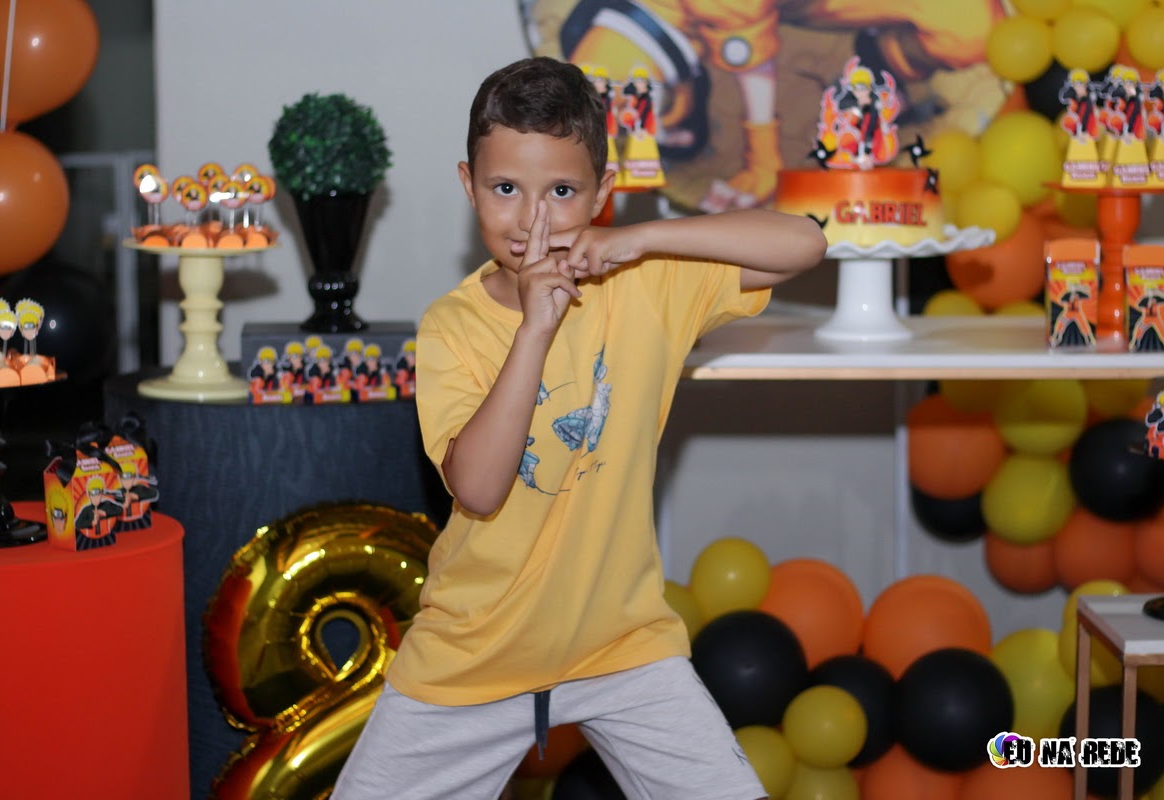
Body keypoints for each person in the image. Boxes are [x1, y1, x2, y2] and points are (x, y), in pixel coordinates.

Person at [333, 56, 825, 800]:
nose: (532, 221)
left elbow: (805, 243)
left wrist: (645, 238)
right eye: (505, 189)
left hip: (623, 646)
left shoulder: (645, 281)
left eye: (562, 192)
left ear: (602, 192)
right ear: (469, 185)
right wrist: (534, 329)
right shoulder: (451, 326)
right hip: (473, 653)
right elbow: (479, 488)